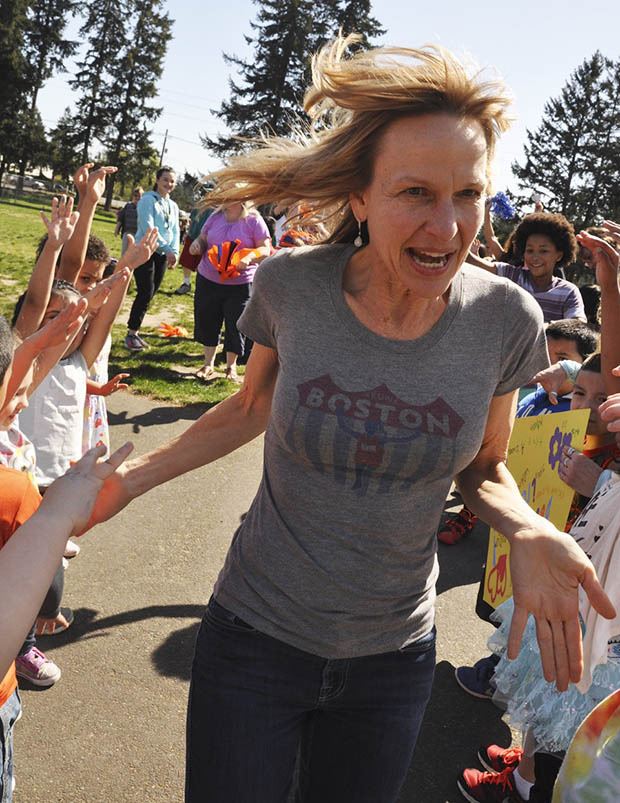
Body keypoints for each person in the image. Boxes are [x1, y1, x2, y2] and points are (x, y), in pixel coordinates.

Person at [87, 36, 615, 803]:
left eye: (467, 194)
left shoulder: (508, 317)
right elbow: (251, 405)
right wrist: (125, 482)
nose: (447, 227)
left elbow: (485, 464)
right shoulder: (291, 285)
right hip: (253, 638)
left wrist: (528, 528)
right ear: (360, 197)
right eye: (415, 194)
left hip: (392, 661)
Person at [189, 199, 271, 383]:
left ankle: (230, 366)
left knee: (236, 324)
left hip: (240, 283)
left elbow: (265, 248)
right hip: (209, 278)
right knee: (207, 319)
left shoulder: (254, 220)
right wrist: (197, 245)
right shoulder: (215, 216)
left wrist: (250, 256)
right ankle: (208, 364)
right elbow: (202, 239)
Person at [468, 213, 586, 322]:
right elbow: (473, 262)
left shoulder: (568, 292)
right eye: (529, 250)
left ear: (559, 255)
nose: (535, 257)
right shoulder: (511, 276)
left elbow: (577, 324)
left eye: (543, 251)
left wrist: (544, 329)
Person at [125, 166, 180, 353]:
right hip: (146, 250)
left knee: (152, 292)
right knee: (145, 291)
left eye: (172, 181)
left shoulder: (173, 205)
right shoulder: (147, 200)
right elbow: (149, 227)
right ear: (157, 180)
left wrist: (174, 251)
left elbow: (175, 231)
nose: (169, 184)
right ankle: (131, 333)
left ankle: (135, 332)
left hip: (163, 254)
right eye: (165, 180)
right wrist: (167, 248)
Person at [174, 204, 213, 295]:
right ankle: (186, 283)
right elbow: (191, 220)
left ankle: (200, 288)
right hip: (192, 236)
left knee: (202, 264)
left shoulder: (217, 209)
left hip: (206, 240)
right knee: (186, 262)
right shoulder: (198, 205)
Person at [114, 187, 144, 255]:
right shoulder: (128, 206)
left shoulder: (143, 207)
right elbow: (121, 218)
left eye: (139, 196)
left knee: (135, 253)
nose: (137, 197)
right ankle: (123, 264)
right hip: (127, 232)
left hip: (138, 234)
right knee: (125, 252)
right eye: (135, 195)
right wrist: (117, 229)